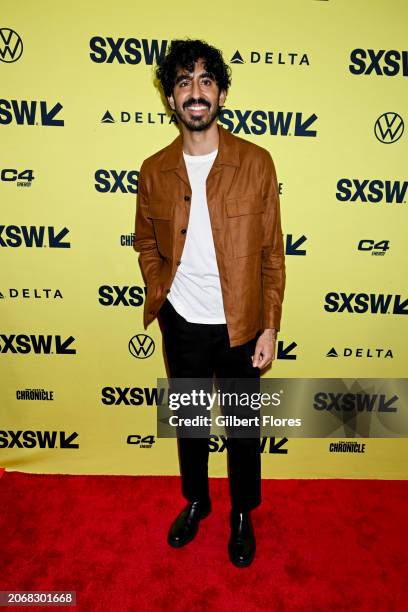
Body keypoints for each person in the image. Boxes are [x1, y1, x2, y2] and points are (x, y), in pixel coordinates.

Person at [134, 38, 286, 568]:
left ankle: (242, 513)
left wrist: (269, 328)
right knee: (191, 422)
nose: (194, 92)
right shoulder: (153, 170)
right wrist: (163, 289)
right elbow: (145, 242)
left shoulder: (256, 163)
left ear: (220, 93)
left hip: (241, 325)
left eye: (204, 81)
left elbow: (272, 251)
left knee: (244, 430)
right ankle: (196, 500)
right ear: (171, 100)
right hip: (181, 323)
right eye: (182, 82)